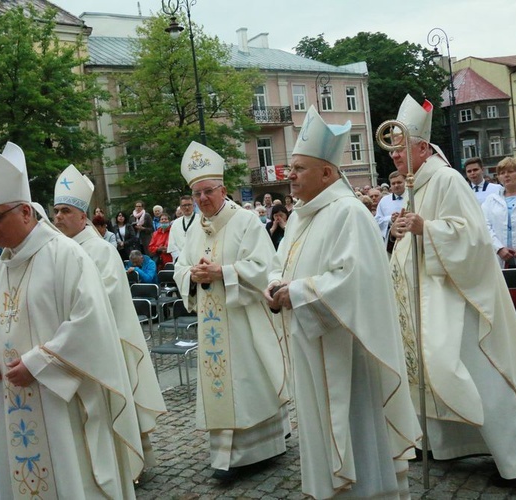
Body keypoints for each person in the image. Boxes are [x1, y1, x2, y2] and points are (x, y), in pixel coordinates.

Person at [0, 142, 142, 499]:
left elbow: (90, 321)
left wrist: (38, 362)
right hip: (16, 401)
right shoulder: (3, 266)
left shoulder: (66, 256)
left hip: (60, 402)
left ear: (25, 213)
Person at [265, 106, 419, 498]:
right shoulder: (301, 216)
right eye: (290, 168)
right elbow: (283, 263)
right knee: (319, 423)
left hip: (346, 347)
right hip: (310, 341)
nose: (291, 175)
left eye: (299, 168)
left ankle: (367, 491)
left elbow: (357, 282)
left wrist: (296, 293)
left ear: (328, 173)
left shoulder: (349, 213)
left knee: (353, 427)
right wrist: (276, 284)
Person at [389, 94, 516, 479]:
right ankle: (448, 444)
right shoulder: (414, 184)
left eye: (400, 148)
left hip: (456, 297)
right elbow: (415, 234)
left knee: (476, 371)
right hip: (425, 297)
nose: (393, 156)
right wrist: (399, 232)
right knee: (430, 370)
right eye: (391, 150)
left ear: (423, 147)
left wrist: (428, 228)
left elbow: (473, 237)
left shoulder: (446, 179)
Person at [174, 141, 290, 481]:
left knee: (247, 380)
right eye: (196, 194)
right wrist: (192, 276)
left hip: (242, 319)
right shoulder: (195, 227)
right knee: (221, 383)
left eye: (208, 192)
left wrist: (222, 273)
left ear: (223, 190)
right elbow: (181, 266)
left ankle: (257, 449)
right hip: (211, 321)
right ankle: (227, 453)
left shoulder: (245, 222)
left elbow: (263, 266)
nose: (202, 199)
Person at [53, 165, 166, 469]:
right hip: (76, 342)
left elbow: (106, 297)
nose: (59, 217)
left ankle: (130, 465)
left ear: (82, 216)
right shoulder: (59, 251)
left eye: (65, 211)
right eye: (56, 212)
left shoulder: (99, 250)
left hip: (105, 343)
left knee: (114, 405)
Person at [374, 171, 406, 243]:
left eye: (399, 182)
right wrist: (390, 219)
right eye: (393, 183)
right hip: (392, 240)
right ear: (390, 185)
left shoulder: (412, 196)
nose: (396, 185)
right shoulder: (384, 201)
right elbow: (377, 221)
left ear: (405, 182)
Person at [168, 195, 197, 262]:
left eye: (189, 205)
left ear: (194, 206)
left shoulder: (201, 220)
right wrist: (179, 257)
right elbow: (172, 244)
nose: (187, 207)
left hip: (197, 259)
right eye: (184, 205)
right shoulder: (175, 223)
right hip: (180, 260)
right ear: (180, 207)